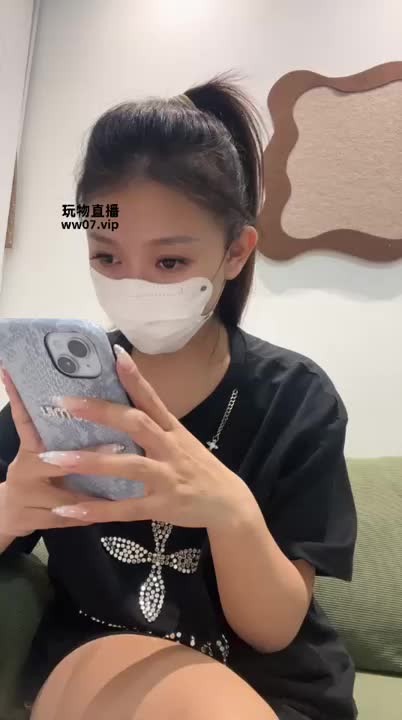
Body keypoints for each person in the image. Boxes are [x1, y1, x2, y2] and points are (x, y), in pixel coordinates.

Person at [0, 75, 357, 720]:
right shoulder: (57, 392)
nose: (133, 284)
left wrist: (231, 513)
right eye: (106, 256)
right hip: (99, 658)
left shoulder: (295, 399)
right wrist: (10, 511)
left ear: (235, 251)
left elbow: (272, 630)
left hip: (269, 685)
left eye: (169, 263)